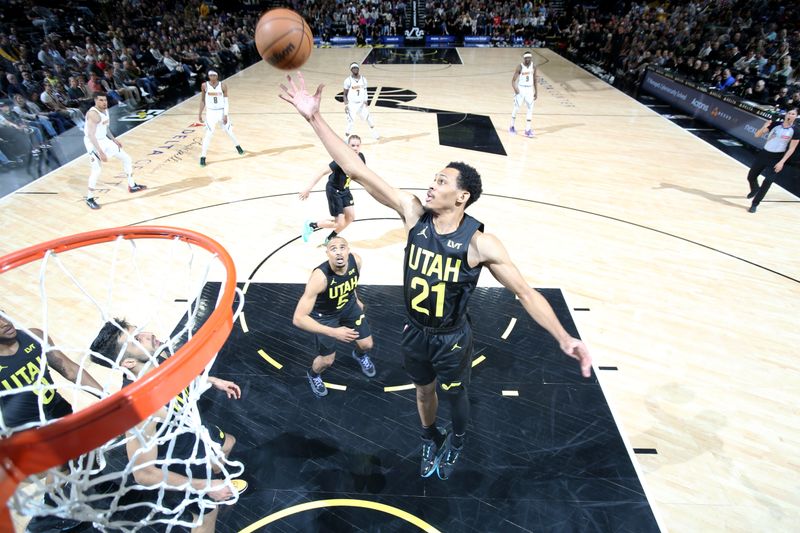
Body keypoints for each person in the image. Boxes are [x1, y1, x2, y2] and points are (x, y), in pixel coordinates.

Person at [280, 73, 592, 480]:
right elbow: (355, 168)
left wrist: (564, 337)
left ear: (462, 196)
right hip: (414, 330)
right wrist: (314, 118)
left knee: (455, 394)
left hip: (452, 337)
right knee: (423, 390)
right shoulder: (413, 214)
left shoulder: (480, 243)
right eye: (433, 178)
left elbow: (526, 294)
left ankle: (457, 439)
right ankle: (430, 437)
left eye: (441, 181)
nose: (431, 185)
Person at [90, 319, 246, 533]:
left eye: (141, 331)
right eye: (137, 339)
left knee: (228, 443)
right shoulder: (139, 409)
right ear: (128, 362)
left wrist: (211, 380)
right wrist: (206, 485)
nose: (148, 335)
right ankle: (213, 487)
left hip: (194, 430)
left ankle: (218, 480)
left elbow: (181, 375)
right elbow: (144, 475)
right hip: (181, 461)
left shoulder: (156, 360)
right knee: (206, 518)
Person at [292, 236, 376, 397]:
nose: (338, 252)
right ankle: (313, 374)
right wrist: (334, 332)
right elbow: (298, 318)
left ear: (348, 250)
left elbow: (351, 281)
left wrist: (356, 299)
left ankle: (359, 355)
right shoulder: (320, 278)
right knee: (327, 360)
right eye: (333, 249)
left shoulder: (356, 261)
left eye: (342, 247)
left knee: (367, 344)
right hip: (325, 316)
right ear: (327, 254)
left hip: (349, 306)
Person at [0, 311, 103, 429]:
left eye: (2, 315)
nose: (4, 323)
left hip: (58, 411)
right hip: (24, 430)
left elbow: (70, 370)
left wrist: (105, 396)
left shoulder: (35, 336)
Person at [83, 93, 147, 210]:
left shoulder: (105, 110)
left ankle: (132, 185)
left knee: (127, 158)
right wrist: (100, 151)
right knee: (96, 170)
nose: (104, 102)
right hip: (93, 143)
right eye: (101, 100)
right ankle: (89, 198)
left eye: (105, 100)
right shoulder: (93, 114)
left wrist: (114, 139)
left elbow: (105, 128)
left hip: (103, 139)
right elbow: (91, 135)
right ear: (95, 100)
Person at [300, 135, 364, 244]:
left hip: (345, 190)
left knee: (351, 217)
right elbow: (322, 172)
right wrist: (308, 188)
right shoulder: (341, 160)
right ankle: (311, 225)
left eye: (358, 145)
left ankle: (330, 238)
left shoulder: (361, 157)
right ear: (347, 146)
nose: (355, 148)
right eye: (353, 145)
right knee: (339, 222)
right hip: (334, 190)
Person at [746, 107, 799, 213]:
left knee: (768, 181)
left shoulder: (796, 130)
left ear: (796, 116)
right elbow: (757, 135)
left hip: (777, 158)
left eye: (793, 114)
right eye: (789, 113)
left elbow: (792, 148)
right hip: (764, 154)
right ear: (786, 114)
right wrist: (764, 126)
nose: (790, 115)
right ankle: (755, 188)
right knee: (751, 176)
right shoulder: (775, 125)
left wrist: (782, 162)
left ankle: (755, 204)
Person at [198, 70, 243, 167]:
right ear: (208, 76)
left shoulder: (223, 86)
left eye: (214, 75)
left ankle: (238, 146)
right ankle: (203, 157)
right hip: (210, 113)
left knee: (229, 131)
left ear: (217, 76)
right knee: (208, 134)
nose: (212, 77)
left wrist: (225, 114)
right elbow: (202, 100)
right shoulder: (204, 85)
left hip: (221, 111)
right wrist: (200, 114)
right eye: (211, 75)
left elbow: (226, 102)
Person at [343, 62, 379, 140]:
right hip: (352, 104)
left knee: (369, 119)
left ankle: (374, 133)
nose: (355, 69)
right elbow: (345, 94)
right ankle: (346, 138)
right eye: (353, 68)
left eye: (356, 68)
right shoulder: (348, 80)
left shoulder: (363, 79)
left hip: (361, 103)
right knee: (350, 122)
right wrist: (346, 105)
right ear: (351, 70)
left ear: (358, 69)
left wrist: (366, 100)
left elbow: (365, 91)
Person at [510, 51, 538, 137]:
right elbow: (513, 80)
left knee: (530, 108)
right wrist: (515, 89)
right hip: (521, 88)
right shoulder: (520, 66)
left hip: (529, 89)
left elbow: (535, 79)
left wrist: (536, 91)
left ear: (531, 58)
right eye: (526, 58)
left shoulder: (533, 66)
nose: (527, 59)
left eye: (529, 58)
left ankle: (527, 130)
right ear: (524, 58)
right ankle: (511, 126)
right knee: (516, 108)